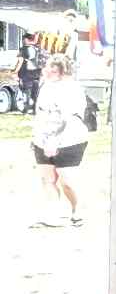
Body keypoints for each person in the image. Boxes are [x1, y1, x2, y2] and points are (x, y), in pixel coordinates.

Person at [29, 53, 89, 228]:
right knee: (47, 179)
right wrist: (38, 138)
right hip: (43, 140)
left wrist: (54, 140)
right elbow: (41, 113)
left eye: (49, 67)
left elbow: (68, 118)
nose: (45, 70)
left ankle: (77, 210)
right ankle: (52, 215)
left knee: (66, 180)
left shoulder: (73, 89)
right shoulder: (45, 87)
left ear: (59, 70)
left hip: (69, 140)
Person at [16, 39, 42, 113]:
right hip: (37, 72)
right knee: (35, 91)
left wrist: (15, 71)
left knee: (27, 91)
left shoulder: (23, 49)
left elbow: (20, 61)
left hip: (27, 72)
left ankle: (26, 108)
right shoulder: (38, 48)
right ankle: (34, 109)